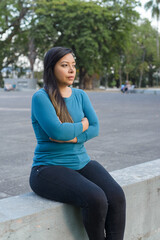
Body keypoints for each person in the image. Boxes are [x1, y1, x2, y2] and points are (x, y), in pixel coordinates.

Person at [29, 46, 126, 240]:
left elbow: (95, 127)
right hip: (48, 168)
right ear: (51, 68)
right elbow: (57, 131)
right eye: (65, 65)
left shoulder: (80, 95)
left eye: (73, 65)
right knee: (96, 198)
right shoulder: (41, 97)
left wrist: (72, 135)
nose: (72, 70)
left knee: (116, 196)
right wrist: (82, 125)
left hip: (81, 161)